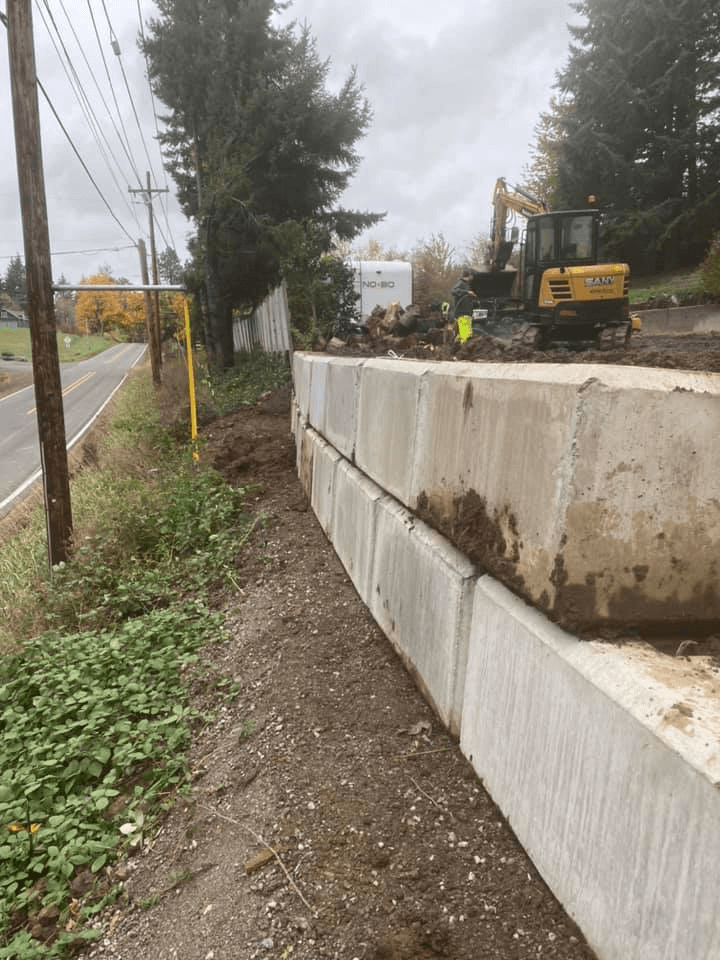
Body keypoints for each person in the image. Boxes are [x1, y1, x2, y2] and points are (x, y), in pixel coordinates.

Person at [450, 267, 479, 342]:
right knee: (466, 336)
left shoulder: (466, 285)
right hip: (463, 314)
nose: (473, 278)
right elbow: (454, 291)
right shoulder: (461, 283)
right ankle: (464, 351)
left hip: (464, 314)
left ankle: (456, 349)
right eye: (472, 276)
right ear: (469, 276)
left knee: (460, 336)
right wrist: (467, 292)